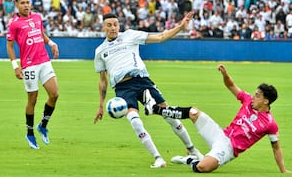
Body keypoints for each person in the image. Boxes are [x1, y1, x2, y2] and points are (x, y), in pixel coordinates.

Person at [93, 12, 204, 168]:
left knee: (169, 114)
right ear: (103, 27)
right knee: (135, 121)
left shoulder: (130, 35)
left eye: (116, 24)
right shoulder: (99, 51)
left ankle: (192, 149)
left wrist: (180, 26)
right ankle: (158, 158)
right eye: (109, 25)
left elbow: (160, 37)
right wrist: (100, 105)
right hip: (123, 89)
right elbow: (103, 81)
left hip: (142, 81)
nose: (113, 28)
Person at [147, 64, 292, 173]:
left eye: (258, 95)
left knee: (203, 167)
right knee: (193, 112)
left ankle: (190, 159)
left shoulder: (270, 124)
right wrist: (225, 74)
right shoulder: (248, 100)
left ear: (266, 101)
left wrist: (283, 170)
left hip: (229, 149)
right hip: (220, 134)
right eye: (254, 94)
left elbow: (276, 148)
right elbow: (231, 86)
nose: (253, 97)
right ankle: (156, 109)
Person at [6, 0, 59, 150]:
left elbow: (40, 33)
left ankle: (43, 125)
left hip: (44, 61)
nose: (26, 5)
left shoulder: (37, 17)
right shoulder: (14, 24)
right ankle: (30, 133)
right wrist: (15, 66)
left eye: (27, 2)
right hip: (29, 65)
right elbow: (10, 46)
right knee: (32, 100)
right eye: (22, 3)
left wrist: (51, 43)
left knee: (54, 94)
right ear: (16, 4)